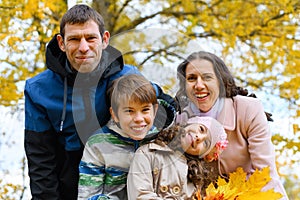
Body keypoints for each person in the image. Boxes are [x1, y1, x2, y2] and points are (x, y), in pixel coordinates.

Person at [24, 4, 174, 200]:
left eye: (91, 38)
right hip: (68, 188)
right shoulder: (38, 90)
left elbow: (165, 108)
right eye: (74, 39)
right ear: (61, 43)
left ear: (104, 39)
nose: (83, 47)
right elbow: (41, 161)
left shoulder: (127, 76)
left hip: (124, 185)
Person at [175, 51, 288, 199]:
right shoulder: (181, 120)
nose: (199, 85)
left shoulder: (248, 109)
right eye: (191, 78)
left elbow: (265, 173)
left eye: (207, 77)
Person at [78, 74, 164, 199]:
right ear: (115, 114)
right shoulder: (98, 144)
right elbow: (88, 195)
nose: (139, 119)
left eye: (145, 110)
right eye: (129, 111)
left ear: (155, 110)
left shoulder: (161, 141)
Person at [127, 116, 228, 199]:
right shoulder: (148, 153)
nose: (199, 137)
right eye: (201, 129)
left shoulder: (196, 179)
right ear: (190, 123)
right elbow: (140, 195)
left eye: (205, 143)